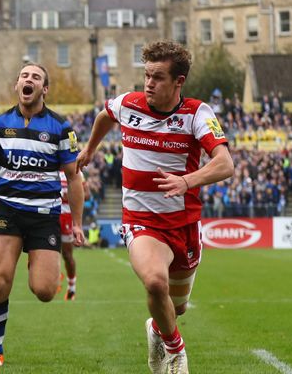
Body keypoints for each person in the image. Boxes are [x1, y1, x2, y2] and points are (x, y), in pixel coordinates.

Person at [76, 40, 234, 374]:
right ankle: (176, 353)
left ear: (179, 82)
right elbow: (106, 114)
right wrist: (90, 149)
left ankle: (157, 330)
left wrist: (187, 181)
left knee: (175, 310)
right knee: (154, 283)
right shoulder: (129, 104)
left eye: (158, 77)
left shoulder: (197, 113)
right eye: (147, 75)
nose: (149, 83)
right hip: (141, 221)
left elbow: (225, 164)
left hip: (184, 225)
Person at [0, 63, 85, 368]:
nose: (29, 79)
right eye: (24, 76)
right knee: (0, 280)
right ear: (17, 85)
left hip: (44, 215)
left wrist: (76, 223)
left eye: (36, 77)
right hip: (8, 212)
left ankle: (41, 263)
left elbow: (74, 178)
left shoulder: (61, 127)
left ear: (44, 89)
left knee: (45, 291)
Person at [59, 169, 89, 301]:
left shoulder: (76, 172)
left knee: (67, 254)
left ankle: (71, 287)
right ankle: (53, 276)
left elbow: (87, 194)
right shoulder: (50, 166)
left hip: (67, 217)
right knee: (45, 250)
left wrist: (70, 195)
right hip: (50, 214)